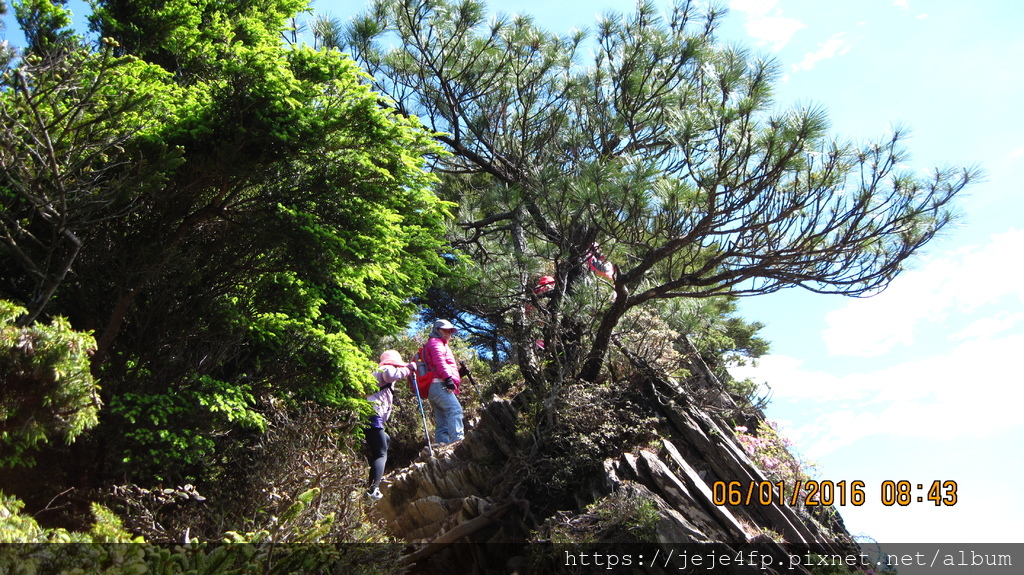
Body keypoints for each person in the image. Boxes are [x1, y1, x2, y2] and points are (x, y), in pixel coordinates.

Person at [365, 350, 416, 500]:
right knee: (380, 454)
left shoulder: (376, 372)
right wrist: (409, 368)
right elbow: (390, 375)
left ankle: (371, 486)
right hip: (373, 415)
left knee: (385, 440)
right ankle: (372, 490)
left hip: (369, 415)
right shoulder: (386, 368)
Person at [422, 319, 466, 445]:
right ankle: (457, 441)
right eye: (445, 330)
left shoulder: (438, 344)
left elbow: (437, 366)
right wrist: (447, 379)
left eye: (450, 331)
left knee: (443, 419)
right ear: (437, 330)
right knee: (455, 409)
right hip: (439, 384)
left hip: (433, 386)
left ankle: (441, 446)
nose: (448, 334)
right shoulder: (436, 343)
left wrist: (459, 373)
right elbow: (439, 362)